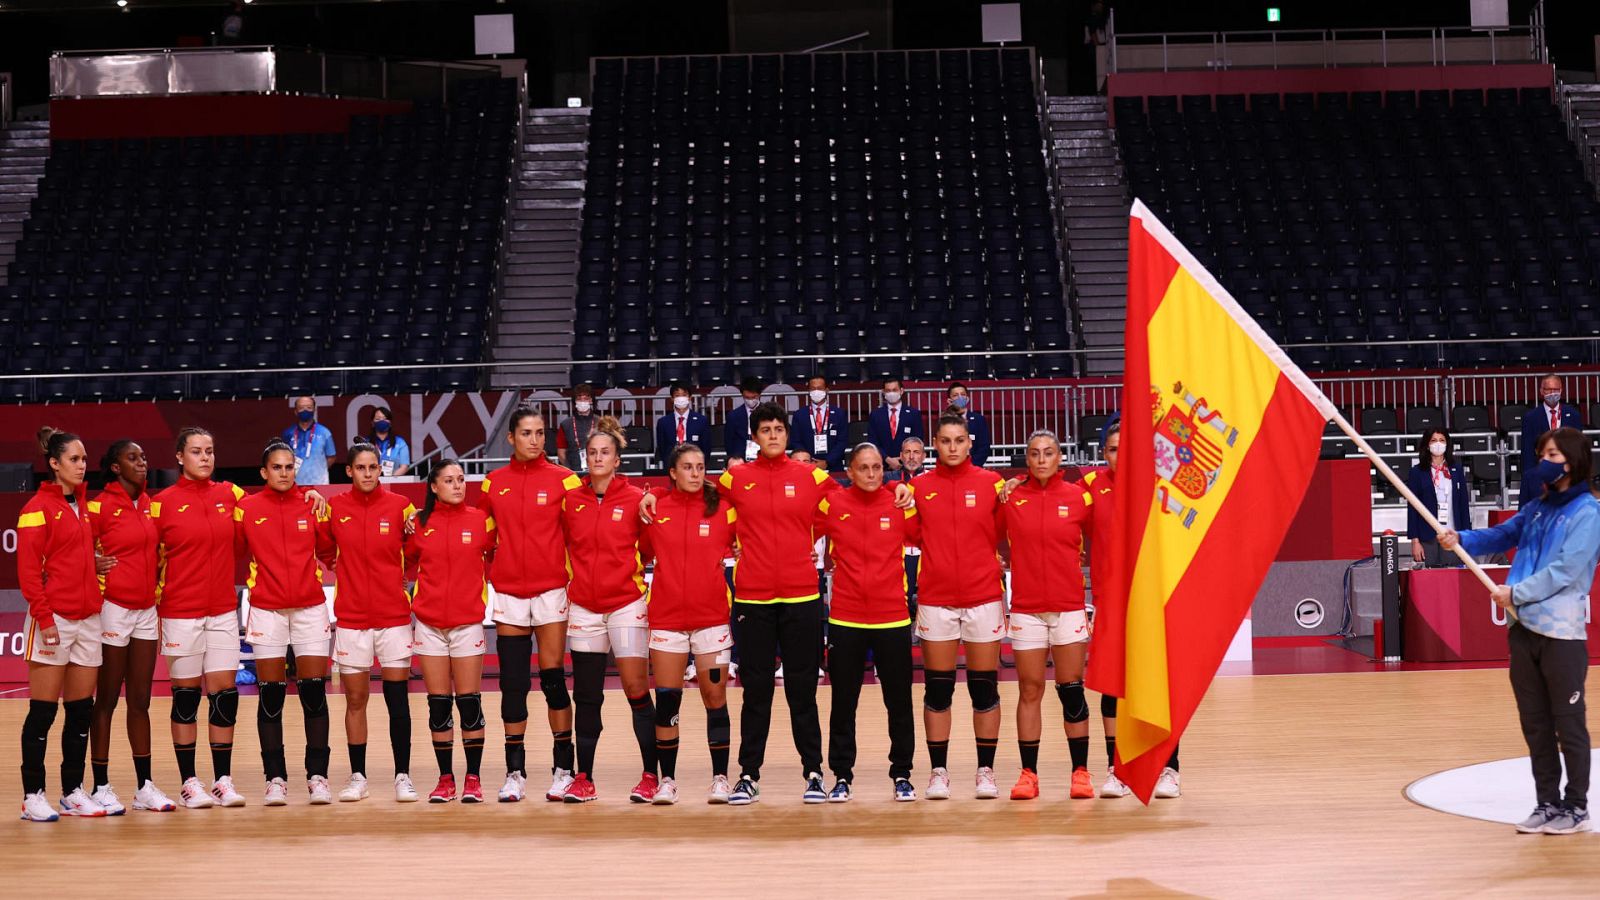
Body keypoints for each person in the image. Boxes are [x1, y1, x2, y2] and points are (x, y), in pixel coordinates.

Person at [642, 402, 851, 805]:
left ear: (788, 435)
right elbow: (694, 495)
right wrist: (646, 500)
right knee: (756, 692)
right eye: (766, 430)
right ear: (754, 438)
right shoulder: (734, 479)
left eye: (779, 429)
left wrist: (813, 543)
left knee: (802, 692)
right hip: (753, 599)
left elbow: (847, 503)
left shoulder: (812, 475)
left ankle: (813, 773)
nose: (773, 435)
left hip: (802, 597)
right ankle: (748, 775)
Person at [1441, 426, 1597, 835]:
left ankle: (1576, 807)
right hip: (1522, 629)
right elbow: (1503, 534)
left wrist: (1517, 593)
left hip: (1561, 634)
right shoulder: (1537, 508)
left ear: (1574, 462)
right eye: (1542, 454)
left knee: (1569, 723)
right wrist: (1462, 539)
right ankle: (1546, 802)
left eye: (1554, 456)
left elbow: (1567, 570)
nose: (1545, 463)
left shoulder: (1589, 513)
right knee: (1536, 723)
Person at [479, 407, 583, 803]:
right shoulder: (493, 483)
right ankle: (515, 773)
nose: (535, 440)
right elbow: (481, 534)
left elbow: (583, 527)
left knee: (554, 680)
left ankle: (563, 769)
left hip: (552, 590)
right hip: (508, 593)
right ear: (511, 438)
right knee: (513, 685)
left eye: (540, 433)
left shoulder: (567, 480)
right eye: (526, 433)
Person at [1074, 417, 1181, 799]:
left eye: (1127, 449)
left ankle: (1168, 768)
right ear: (1103, 453)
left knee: (1158, 687)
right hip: (1110, 602)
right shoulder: (1089, 486)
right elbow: (1056, 503)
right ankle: (1116, 769)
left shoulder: (1158, 489)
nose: (1120, 456)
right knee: (1112, 686)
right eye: (1113, 449)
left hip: (1153, 603)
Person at [149, 427, 251, 809]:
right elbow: (143, 550)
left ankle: (223, 780)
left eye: (209, 450)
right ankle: (189, 782)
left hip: (223, 610)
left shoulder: (230, 494)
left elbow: (269, 506)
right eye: (196, 451)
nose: (205, 457)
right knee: (187, 697)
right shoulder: (162, 504)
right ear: (179, 457)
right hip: (180, 613)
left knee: (224, 695)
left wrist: (307, 494)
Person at [816, 443, 921, 803]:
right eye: (865, 468)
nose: (873, 474)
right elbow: (792, 512)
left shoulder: (899, 502)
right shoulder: (833, 504)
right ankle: (841, 776)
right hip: (845, 618)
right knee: (844, 702)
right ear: (849, 470)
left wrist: (900, 488)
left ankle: (902, 774)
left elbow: (928, 523)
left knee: (900, 701)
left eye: (878, 467)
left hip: (892, 617)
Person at [234, 441, 336, 806]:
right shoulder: (246, 508)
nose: (283, 473)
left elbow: (329, 552)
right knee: (271, 696)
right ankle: (274, 778)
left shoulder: (312, 506)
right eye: (276, 467)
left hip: (310, 609)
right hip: (266, 611)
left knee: (313, 693)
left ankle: (318, 777)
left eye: (289, 467)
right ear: (264, 472)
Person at [559, 418, 656, 803]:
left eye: (605, 453)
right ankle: (584, 778)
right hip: (583, 607)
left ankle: (651, 775)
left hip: (626, 604)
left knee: (635, 688)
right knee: (587, 694)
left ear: (617, 460)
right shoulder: (571, 500)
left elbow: (647, 549)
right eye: (593, 453)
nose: (598, 458)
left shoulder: (636, 499)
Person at [912, 413, 1007, 799]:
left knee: (984, 689)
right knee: (938, 690)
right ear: (936, 443)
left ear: (970, 443)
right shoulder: (918, 487)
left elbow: (1005, 532)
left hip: (983, 597)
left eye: (959, 440)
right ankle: (938, 772)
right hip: (936, 599)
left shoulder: (992, 484)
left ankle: (985, 771)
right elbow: (906, 532)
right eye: (946, 441)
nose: (953, 447)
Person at [641, 443, 738, 804]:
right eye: (687, 467)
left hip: (711, 619)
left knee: (715, 698)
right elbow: (636, 550)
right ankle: (668, 781)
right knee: (667, 702)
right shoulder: (654, 509)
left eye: (700, 466)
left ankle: (720, 779)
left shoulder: (724, 510)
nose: (695, 473)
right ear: (672, 472)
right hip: (666, 621)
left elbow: (754, 534)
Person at [17, 429, 106, 821]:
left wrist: (93, 565)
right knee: (43, 713)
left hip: (88, 619)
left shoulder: (82, 504)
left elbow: (68, 558)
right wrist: (45, 619)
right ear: (54, 463)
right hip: (53, 620)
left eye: (85, 458)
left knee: (80, 712)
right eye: (74, 459)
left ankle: (72, 791)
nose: (82, 465)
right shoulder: (36, 508)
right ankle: (32, 795)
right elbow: (28, 575)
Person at [1001, 430, 1096, 800]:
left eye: (1049, 453)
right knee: (1029, 690)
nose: (1042, 459)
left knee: (1071, 690)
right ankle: (1029, 774)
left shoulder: (1079, 497)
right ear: (1027, 459)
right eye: (1035, 453)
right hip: (1026, 609)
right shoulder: (1010, 497)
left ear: (1060, 458)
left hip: (1069, 606)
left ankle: (1081, 772)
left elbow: (1101, 537)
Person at [87, 439, 177, 815]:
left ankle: (144, 786)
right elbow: (69, 548)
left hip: (145, 612)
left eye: (143, 457)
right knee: (106, 699)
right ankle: (101, 786)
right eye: (133, 458)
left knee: (140, 701)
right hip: (112, 609)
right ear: (114, 467)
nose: (142, 463)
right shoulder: (98, 507)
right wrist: (90, 563)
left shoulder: (151, 506)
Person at [326, 443, 419, 803]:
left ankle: (402, 776)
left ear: (381, 469)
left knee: (398, 701)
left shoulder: (400, 507)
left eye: (373, 467)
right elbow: (324, 549)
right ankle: (358, 777)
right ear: (349, 471)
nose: (368, 473)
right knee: (355, 700)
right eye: (361, 468)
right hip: (351, 619)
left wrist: (395, 581)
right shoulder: (335, 508)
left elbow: (413, 549)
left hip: (394, 618)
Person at [406, 460, 495, 804]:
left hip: (467, 624)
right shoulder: (419, 523)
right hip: (429, 626)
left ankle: (473, 779)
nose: (458, 485)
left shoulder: (480, 520)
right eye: (449, 480)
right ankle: (446, 780)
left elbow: (501, 549)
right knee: (439, 706)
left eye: (461, 479)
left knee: (469, 704)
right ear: (433, 486)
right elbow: (402, 559)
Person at [1405, 428, 1470, 568]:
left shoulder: (1456, 470)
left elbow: (1464, 506)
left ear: (1447, 444)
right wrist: (1415, 542)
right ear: (1427, 445)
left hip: (1452, 535)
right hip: (1427, 537)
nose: (1438, 444)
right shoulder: (1417, 472)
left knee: (1452, 580)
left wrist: (1466, 539)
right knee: (1429, 581)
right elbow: (1412, 509)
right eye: (1434, 440)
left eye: (1442, 440)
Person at [1519, 375, 1582, 508]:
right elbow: (1527, 452)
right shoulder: (1531, 418)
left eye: (1555, 389)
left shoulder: (1573, 415)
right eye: (1548, 389)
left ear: (1561, 390)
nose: (1552, 393)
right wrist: (1531, 481)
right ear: (1541, 391)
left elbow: (1578, 450)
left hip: (1568, 479)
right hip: (1541, 480)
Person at [895, 437, 927, 633]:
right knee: (901, 597)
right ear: (900, 456)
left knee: (926, 598)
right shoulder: (889, 480)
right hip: (900, 550)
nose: (912, 456)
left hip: (925, 550)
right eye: (907, 452)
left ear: (923, 456)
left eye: (916, 452)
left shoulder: (931, 480)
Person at [790, 375, 848, 472]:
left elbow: (842, 441)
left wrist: (827, 462)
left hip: (834, 466)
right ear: (808, 391)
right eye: (813, 389)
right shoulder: (799, 415)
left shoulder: (839, 413)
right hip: (807, 466)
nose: (816, 391)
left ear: (827, 390)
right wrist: (808, 461)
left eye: (820, 388)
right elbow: (796, 441)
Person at [868, 378, 925, 473]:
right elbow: (872, 442)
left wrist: (902, 458)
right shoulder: (875, 415)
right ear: (883, 392)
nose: (891, 393)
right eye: (888, 391)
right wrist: (887, 459)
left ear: (901, 391)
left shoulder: (914, 414)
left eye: (894, 390)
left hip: (907, 466)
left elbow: (918, 440)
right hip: (882, 466)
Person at [655, 382, 711, 470]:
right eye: (677, 395)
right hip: (673, 467)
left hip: (695, 467)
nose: (681, 398)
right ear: (672, 399)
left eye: (684, 395)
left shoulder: (701, 421)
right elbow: (662, 448)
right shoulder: (663, 422)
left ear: (689, 398)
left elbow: (706, 448)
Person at [283, 395, 337, 487]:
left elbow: (331, 457)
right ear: (295, 411)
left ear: (314, 410)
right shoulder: (288, 433)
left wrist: (319, 469)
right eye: (301, 408)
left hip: (320, 484)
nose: (305, 410)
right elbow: (283, 457)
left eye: (309, 407)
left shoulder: (324, 432)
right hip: (294, 485)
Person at [946, 382, 992, 469]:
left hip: (974, 468)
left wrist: (971, 467)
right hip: (951, 469)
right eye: (955, 395)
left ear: (967, 398)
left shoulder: (979, 419)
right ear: (949, 400)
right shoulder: (944, 420)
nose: (960, 397)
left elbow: (984, 447)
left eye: (963, 394)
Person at [556, 384, 599, 473]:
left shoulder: (601, 422)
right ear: (575, 401)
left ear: (591, 400)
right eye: (579, 398)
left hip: (597, 469)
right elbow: (561, 452)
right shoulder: (565, 424)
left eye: (586, 398)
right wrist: (569, 469)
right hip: (573, 470)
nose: (582, 401)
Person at [723, 376, 765, 466]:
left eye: (753, 397)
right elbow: (729, 442)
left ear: (759, 394)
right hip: (740, 461)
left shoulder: (769, 413)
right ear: (742, 395)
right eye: (747, 397)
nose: (750, 400)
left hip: (764, 458)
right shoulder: (733, 416)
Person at [366, 407, 411, 477]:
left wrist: (389, 480)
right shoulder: (366, 444)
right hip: (371, 483)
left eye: (385, 419)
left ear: (390, 423)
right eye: (378, 419)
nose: (381, 421)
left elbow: (404, 466)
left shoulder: (400, 442)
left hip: (393, 483)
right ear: (372, 423)